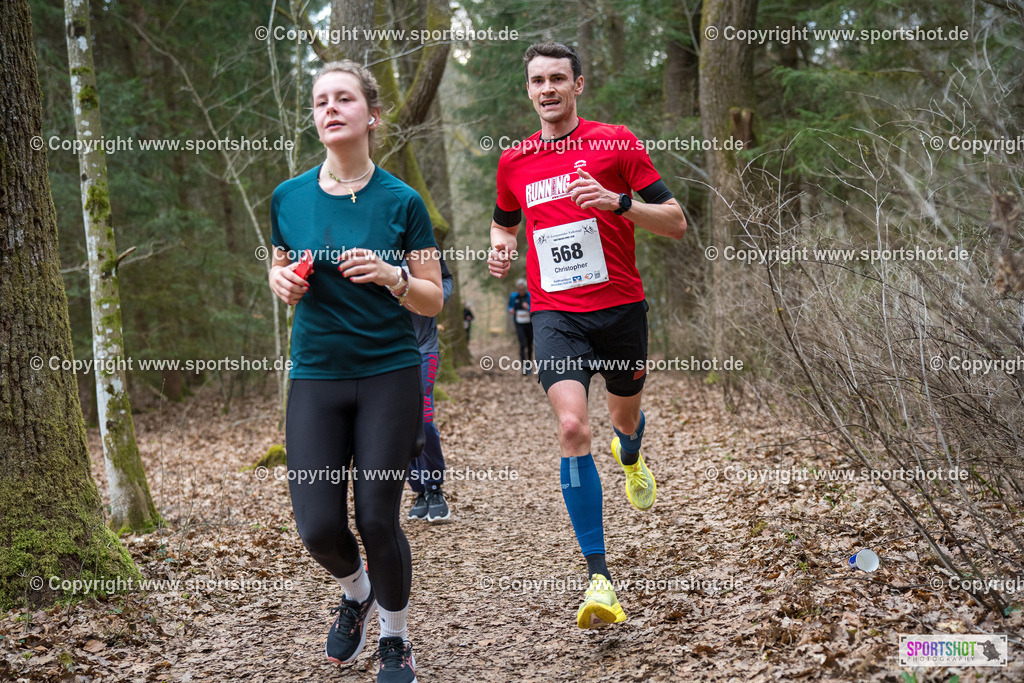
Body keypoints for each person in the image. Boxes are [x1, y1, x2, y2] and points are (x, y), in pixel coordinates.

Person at [487, 41, 686, 629]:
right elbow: (503, 225)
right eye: (537, 81)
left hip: (621, 310)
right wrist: (501, 249)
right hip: (556, 314)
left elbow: (676, 222)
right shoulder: (514, 161)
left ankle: (631, 453)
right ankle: (600, 579)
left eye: (557, 79)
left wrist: (619, 203)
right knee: (573, 426)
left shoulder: (616, 142)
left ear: (578, 85)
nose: (546, 89)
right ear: (528, 90)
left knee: (624, 419)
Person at [268, 60, 441, 683]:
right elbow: (279, 266)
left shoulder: (403, 201)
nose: (331, 109)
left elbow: (433, 298)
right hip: (316, 376)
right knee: (318, 526)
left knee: (375, 516)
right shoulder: (288, 198)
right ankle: (357, 592)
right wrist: (280, 281)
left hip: (387, 374)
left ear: (372, 115)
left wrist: (395, 277)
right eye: (321, 101)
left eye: (344, 99)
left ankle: (395, 638)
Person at [407, 256, 454, 523]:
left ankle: (435, 488)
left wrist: (433, 300)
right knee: (399, 424)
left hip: (424, 346)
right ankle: (419, 490)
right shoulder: (371, 242)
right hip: (386, 351)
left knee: (423, 419)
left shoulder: (422, 244)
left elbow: (445, 279)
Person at [507, 278, 533, 374]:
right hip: (519, 324)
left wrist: (528, 307)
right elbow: (509, 306)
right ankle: (523, 367)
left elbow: (534, 308)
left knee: (529, 345)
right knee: (522, 344)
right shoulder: (514, 297)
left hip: (529, 324)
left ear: (525, 288)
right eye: (519, 289)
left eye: (523, 289)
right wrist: (510, 310)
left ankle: (529, 365)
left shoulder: (530, 296)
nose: (521, 291)